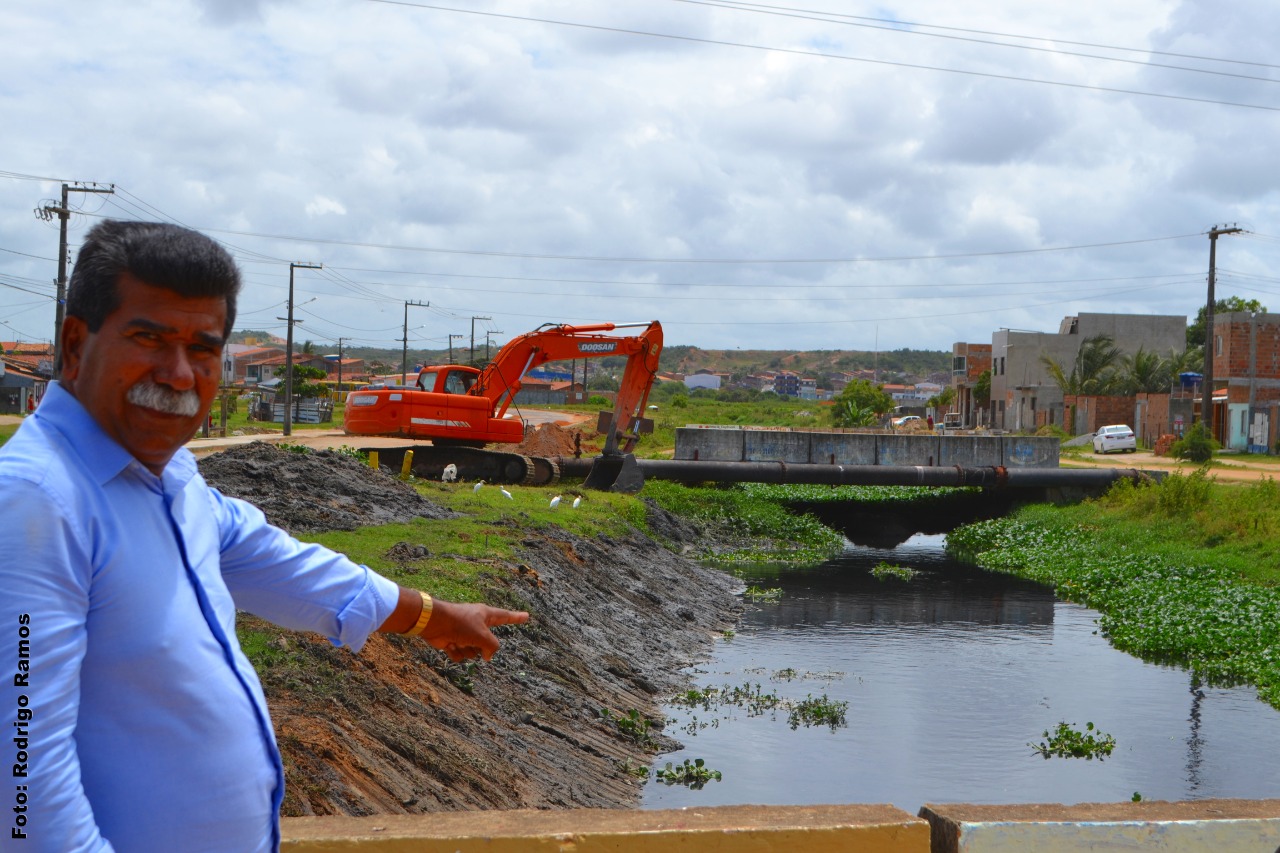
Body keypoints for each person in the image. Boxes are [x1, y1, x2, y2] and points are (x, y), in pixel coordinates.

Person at [0, 220, 529, 852]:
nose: (178, 373)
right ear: (74, 345)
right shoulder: (36, 505)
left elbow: (287, 568)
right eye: (149, 338)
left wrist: (434, 617)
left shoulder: (168, 482)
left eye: (203, 348)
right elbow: (21, 781)